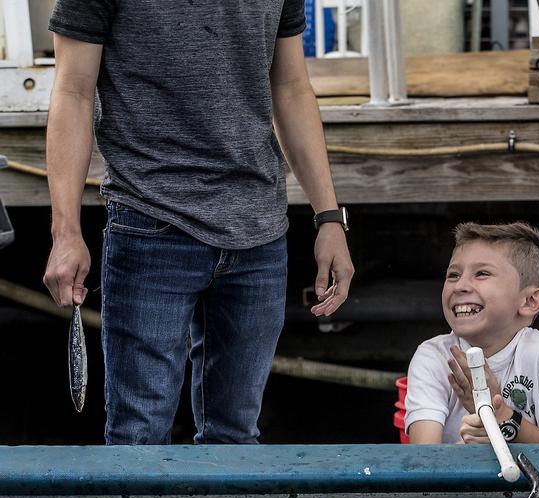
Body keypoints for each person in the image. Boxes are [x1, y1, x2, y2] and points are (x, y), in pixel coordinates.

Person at [41, 0, 354, 444]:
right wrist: (65, 231)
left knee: (236, 440)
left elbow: (291, 87)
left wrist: (329, 218)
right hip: (149, 221)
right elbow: (72, 90)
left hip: (260, 231)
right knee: (138, 440)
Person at [404, 222, 539, 445]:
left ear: (530, 301)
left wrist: (502, 417)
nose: (460, 286)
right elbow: (425, 459)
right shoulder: (432, 357)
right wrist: (465, 455)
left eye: (482, 274)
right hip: (457, 480)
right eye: (453, 275)